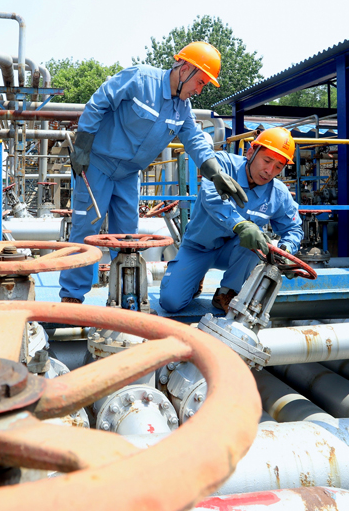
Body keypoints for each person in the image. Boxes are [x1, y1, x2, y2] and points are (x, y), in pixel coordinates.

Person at [59, 41, 247, 304]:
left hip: (128, 176)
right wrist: (82, 147)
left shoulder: (182, 110)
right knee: (83, 230)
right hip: (97, 166)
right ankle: (72, 297)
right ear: (185, 69)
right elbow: (98, 103)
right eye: (201, 82)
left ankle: (124, 296)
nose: (199, 90)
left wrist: (214, 171)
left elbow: (195, 139)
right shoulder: (139, 79)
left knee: (128, 239)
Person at [159, 126, 303, 313]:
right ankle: (194, 279)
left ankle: (227, 292)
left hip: (237, 253)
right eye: (267, 160)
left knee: (256, 241)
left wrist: (287, 249)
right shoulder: (222, 166)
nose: (269, 171)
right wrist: (240, 225)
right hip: (198, 247)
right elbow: (213, 201)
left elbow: (293, 229)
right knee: (171, 303)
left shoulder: (278, 194)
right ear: (251, 151)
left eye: (278, 166)